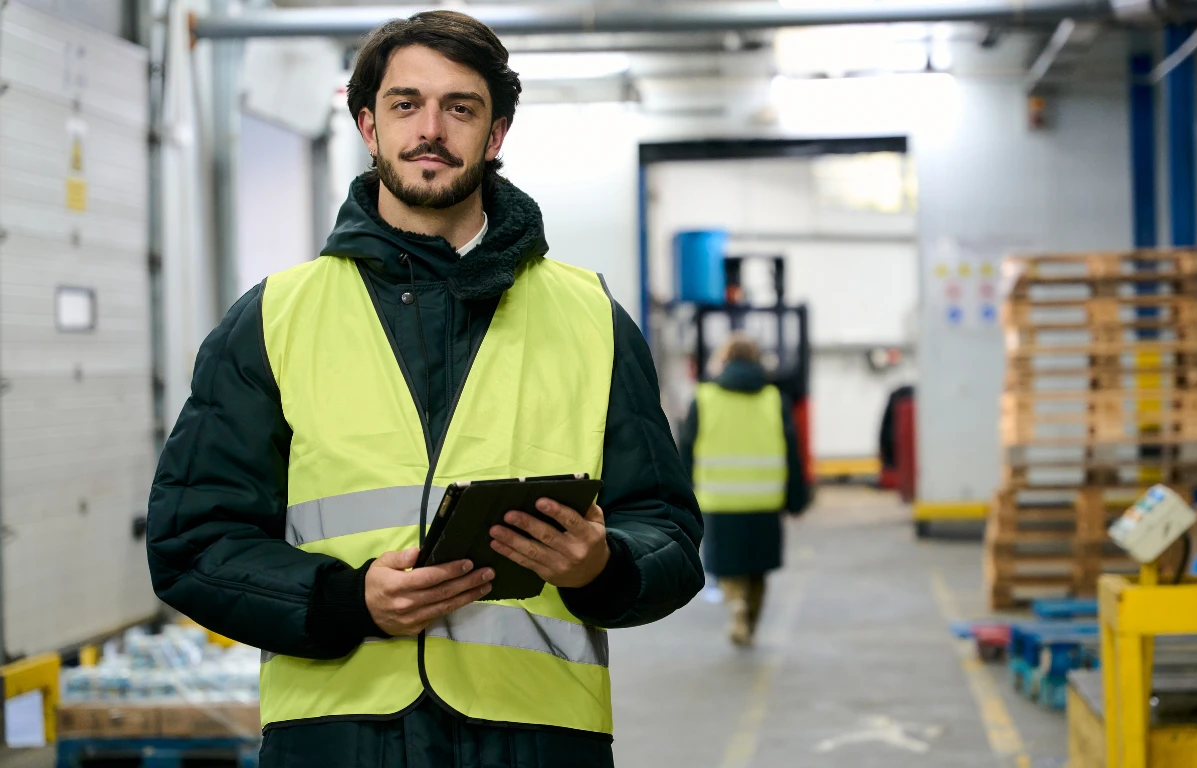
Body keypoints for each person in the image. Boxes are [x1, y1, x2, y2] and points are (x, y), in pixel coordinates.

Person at [145, 11, 703, 768]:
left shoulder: (592, 319)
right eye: (406, 105)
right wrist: (346, 601)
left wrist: (602, 568)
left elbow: (667, 532)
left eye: (460, 107)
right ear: (369, 127)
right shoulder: (274, 319)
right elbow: (191, 542)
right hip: (337, 741)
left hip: (535, 739)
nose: (431, 128)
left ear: (496, 134)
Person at [678, 334, 810, 647]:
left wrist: (681, 495)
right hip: (765, 500)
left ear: (724, 360)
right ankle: (750, 619)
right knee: (758, 568)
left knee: (728, 565)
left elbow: (686, 449)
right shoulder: (775, 400)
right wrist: (797, 498)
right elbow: (792, 451)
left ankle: (735, 605)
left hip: (720, 500)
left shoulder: (705, 397)